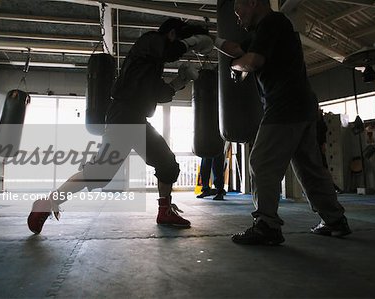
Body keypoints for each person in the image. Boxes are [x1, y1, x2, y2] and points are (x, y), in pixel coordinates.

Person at [27, 18, 214, 234]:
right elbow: (169, 51)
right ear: (171, 34)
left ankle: (164, 211)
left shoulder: (151, 64)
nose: (180, 47)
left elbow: (159, 93)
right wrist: (195, 40)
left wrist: (180, 81)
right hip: (124, 116)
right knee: (100, 173)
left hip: (136, 119)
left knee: (167, 164)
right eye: (179, 40)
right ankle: (48, 202)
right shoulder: (150, 41)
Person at [214, 0, 351, 245]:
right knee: (309, 168)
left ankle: (266, 225)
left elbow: (252, 61)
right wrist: (210, 41)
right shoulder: (266, 30)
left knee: (261, 162)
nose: (236, 18)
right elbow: (237, 48)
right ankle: (334, 220)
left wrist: (235, 67)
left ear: (253, 3)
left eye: (239, 11)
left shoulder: (272, 22)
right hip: (303, 106)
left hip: (284, 106)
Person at [317, 109, 342, 193]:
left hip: (317, 145)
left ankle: (330, 187)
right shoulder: (317, 120)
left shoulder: (319, 121)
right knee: (322, 167)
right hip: (315, 145)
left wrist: (323, 144)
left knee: (323, 167)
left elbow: (323, 130)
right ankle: (329, 187)